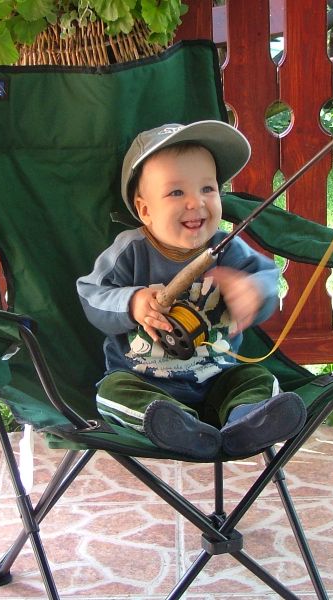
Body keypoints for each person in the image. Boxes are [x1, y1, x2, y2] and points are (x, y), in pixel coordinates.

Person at [76, 120, 306, 459]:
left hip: (220, 377)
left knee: (255, 377)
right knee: (113, 391)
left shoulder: (228, 248)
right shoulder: (130, 251)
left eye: (207, 189)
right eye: (176, 192)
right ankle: (178, 427)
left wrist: (252, 292)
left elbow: (267, 278)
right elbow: (91, 294)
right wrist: (132, 302)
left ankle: (247, 422)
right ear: (145, 210)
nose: (196, 202)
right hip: (144, 380)